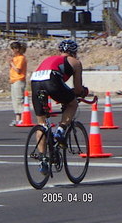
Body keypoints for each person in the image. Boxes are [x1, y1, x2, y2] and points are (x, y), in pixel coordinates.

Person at [30, 39, 88, 174]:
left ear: (60, 51)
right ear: (74, 52)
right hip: (52, 79)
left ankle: (43, 160)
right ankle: (61, 131)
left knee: (42, 123)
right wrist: (83, 92)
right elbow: (78, 89)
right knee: (72, 103)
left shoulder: (49, 58)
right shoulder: (75, 62)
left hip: (35, 81)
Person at [8, 41, 27, 126]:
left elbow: (18, 70)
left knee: (19, 100)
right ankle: (17, 119)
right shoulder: (15, 58)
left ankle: (23, 118)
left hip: (19, 80)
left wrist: (11, 63)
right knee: (15, 100)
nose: (12, 51)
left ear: (17, 49)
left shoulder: (21, 58)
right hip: (13, 80)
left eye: (13, 49)